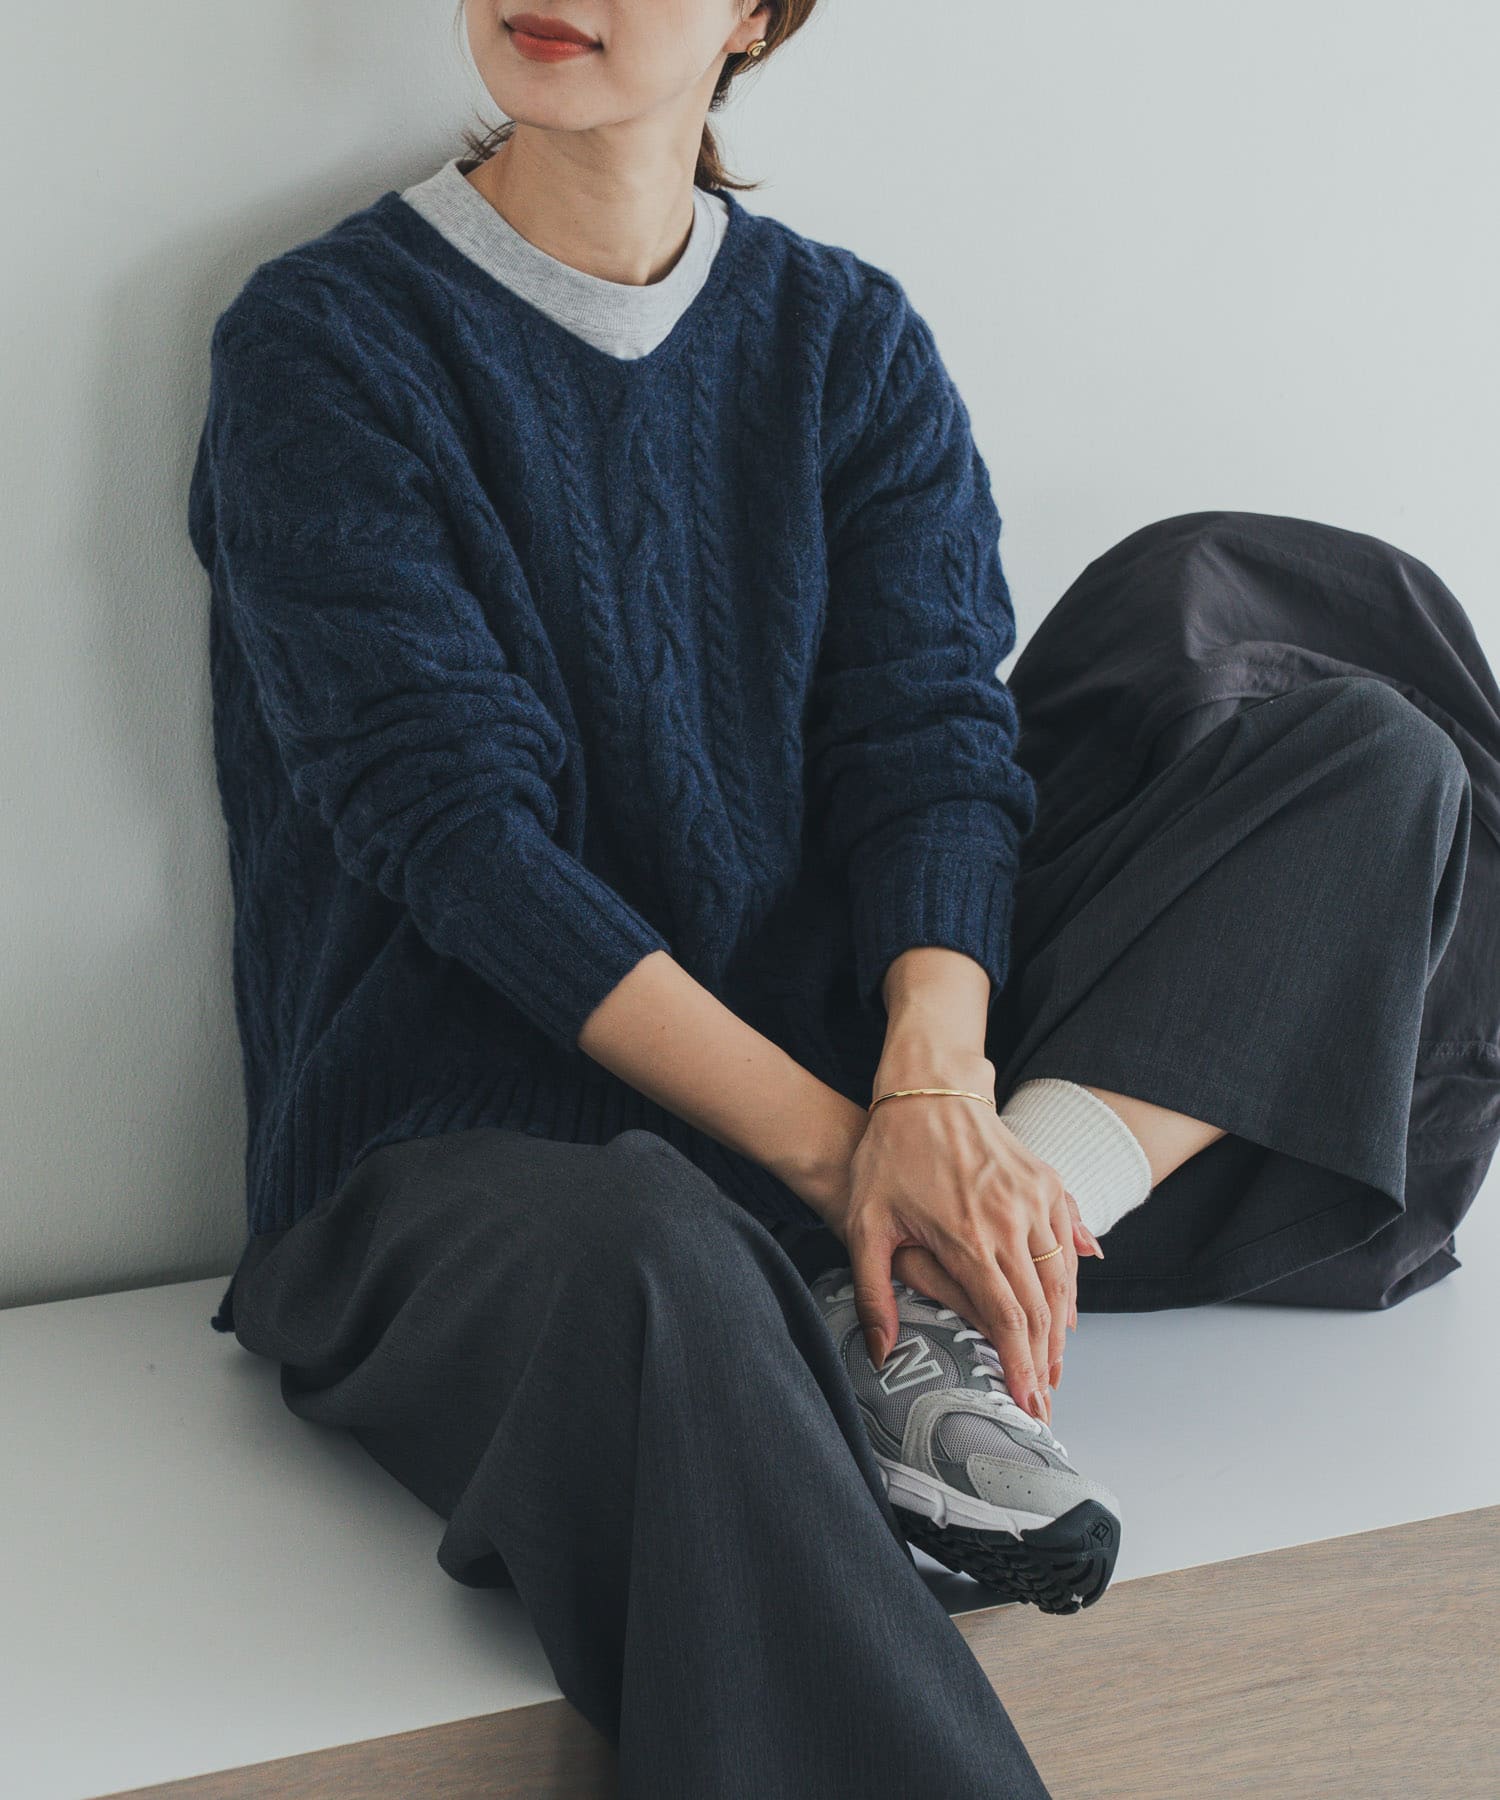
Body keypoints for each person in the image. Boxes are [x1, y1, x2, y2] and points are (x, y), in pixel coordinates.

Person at [187, 3, 1500, 1795]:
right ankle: (909, 1262)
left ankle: (948, 1273)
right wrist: (846, 1157)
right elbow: (461, 843)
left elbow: (932, 743)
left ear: (757, 12)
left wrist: (932, 1092)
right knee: (659, 1261)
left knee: (1371, 755)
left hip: (853, 1086)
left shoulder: (846, 338)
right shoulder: (325, 343)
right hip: (456, 1157)